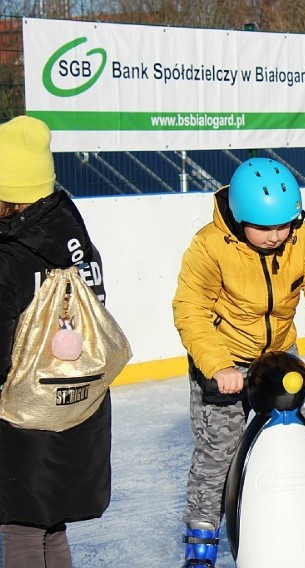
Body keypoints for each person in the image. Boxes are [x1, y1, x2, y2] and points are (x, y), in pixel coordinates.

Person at [173, 158, 305, 567]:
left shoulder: (304, 240)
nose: (276, 236)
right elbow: (190, 310)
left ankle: (288, 525)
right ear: (238, 216)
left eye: (283, 225)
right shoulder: (210, 247)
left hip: (278, 360)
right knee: (219, 451)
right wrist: (218, 366)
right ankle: (202, 536)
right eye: (264, 228)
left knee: (286, 439)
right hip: (223, 359)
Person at [0, 116, 110, 568]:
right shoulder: (74, 236)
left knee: (19, 528)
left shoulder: (9, 255)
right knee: (50, 525)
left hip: (26, 416)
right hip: (78, 406)